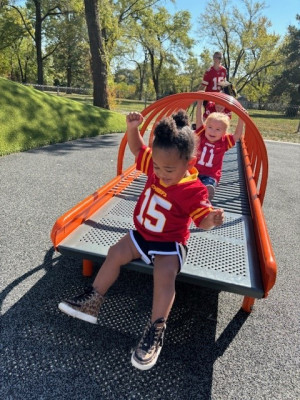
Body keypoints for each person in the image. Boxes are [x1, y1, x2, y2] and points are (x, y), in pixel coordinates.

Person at [58, 110, 225, 371]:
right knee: (115, 252)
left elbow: (201, 219)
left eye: (169, 169)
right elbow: (138, 149)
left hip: (170, 242)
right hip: (142, 234)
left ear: (189, 163)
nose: (160, 172)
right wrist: (132, 127)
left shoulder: (193, 189)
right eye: (157, 167)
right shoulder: (156, 162)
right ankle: (93, 300)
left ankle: (156, 329)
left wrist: (211, 220)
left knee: (165, 274)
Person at [195, 100, 245, 200]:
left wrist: (241, 118)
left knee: (209, 183)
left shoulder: (224, 142)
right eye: (210, 127)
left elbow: (237, 135)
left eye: (218, 129)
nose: (213, 131)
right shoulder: (202, 136)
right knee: (188, 177)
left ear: (224, 132)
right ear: (205, 127)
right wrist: (200, 104)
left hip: (210, 175)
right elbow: (199, 121)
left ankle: (207, 191)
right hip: (195, 171)